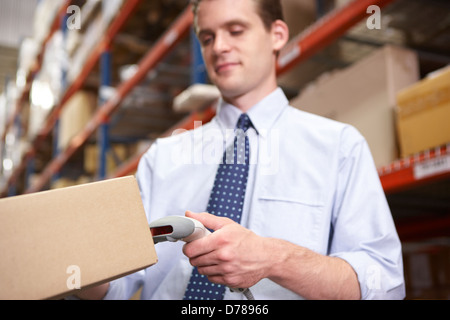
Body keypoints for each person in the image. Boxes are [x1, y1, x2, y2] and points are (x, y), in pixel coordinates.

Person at [77, 0, 405, 300]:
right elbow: (117, 288)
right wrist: (77, 269)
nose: (219, 47)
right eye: (207, 38)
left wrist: (275, 258)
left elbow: (383, 283)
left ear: (277, 34)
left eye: (236, 30)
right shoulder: (162, 158)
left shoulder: (339, 147)